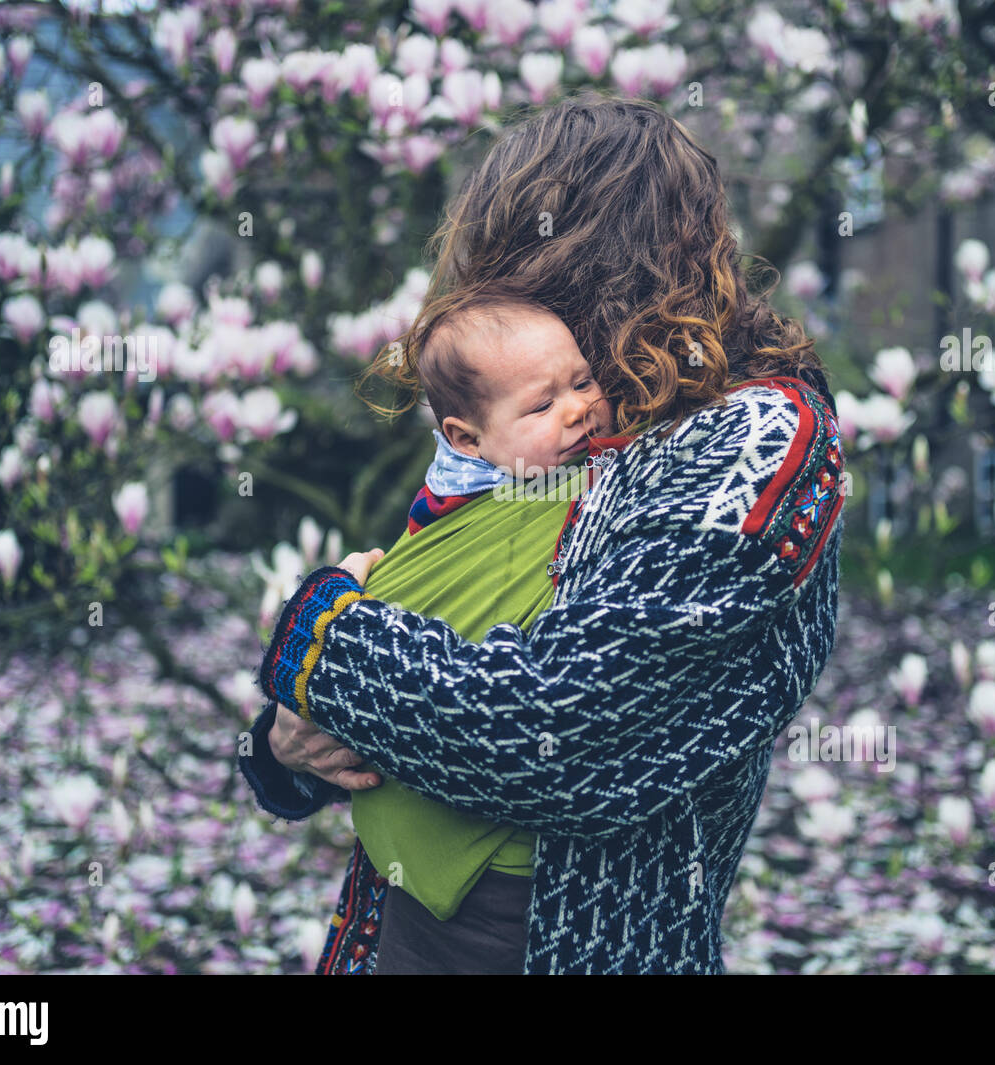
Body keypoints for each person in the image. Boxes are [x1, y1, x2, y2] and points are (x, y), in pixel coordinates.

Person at [238, 90, 845, 975]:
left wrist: (315, 639)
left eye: (519, 269)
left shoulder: (757, 440)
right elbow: (437, 623)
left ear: (586, 259)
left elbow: (549, 731)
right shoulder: (558, 422)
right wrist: (284, 747)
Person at [340, 290, 615, 973]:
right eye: (542, 405)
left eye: (582, 382)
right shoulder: (514, 499)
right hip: (461, 875)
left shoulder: (516, 476)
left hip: (484, 862)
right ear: (468, 438)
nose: (578, 408)